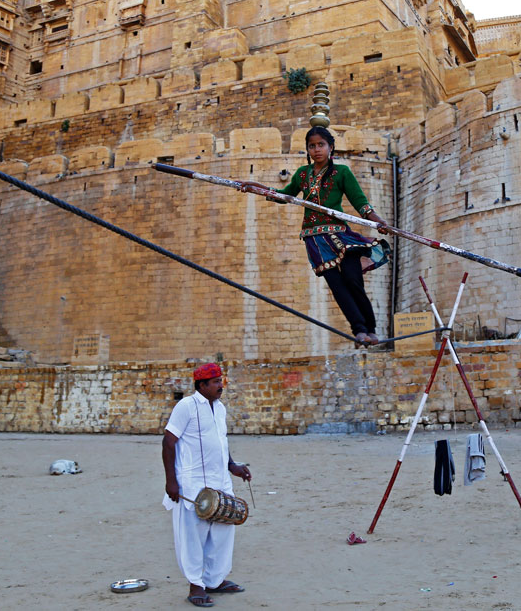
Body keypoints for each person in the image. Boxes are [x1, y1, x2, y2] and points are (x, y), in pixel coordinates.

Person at [241, 126, 391, 347]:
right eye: (312, 146)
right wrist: (259, 188)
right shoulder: (303, 174)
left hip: (340, 235)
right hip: (315, 239)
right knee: (337, 287)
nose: (317, 149)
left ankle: (371, 328)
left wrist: (377, 220)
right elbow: (285, 196)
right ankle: (359, 330)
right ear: (308, 149)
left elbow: (360, 202)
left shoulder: (342, 173)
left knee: (352, 279)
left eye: (321, 144)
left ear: (330, 147)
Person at [163, 362, 252, 608]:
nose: (220, 386)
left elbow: (220, 442)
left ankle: (215, 580)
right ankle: (196, 586)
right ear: (201, 385)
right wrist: (171, 481)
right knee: (194, 535)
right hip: (192, 484)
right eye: (215, 382)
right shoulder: (186, 406)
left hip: (220, 481)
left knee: (223, 531)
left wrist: (233, 466)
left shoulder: (220, 408)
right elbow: (168, 443)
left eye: (220, 381)